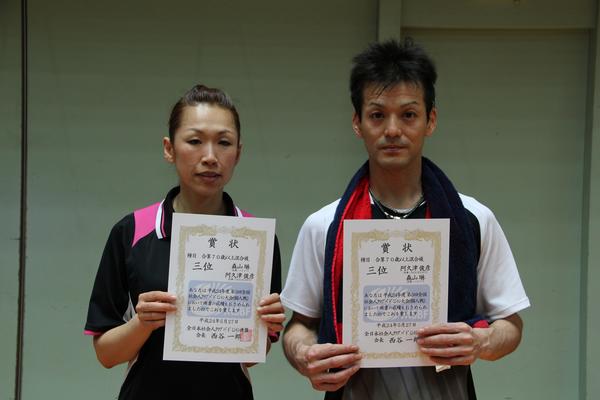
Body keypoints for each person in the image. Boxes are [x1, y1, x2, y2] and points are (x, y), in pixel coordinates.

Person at [280, 38, 530, 399]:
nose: (393, 130)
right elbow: (299, 325)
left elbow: (512, 324)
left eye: (408, 115)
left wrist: (481, 341)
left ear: (431, 120)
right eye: (377, 115)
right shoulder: (325, 225)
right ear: (357, 123)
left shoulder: (473, 219)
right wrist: (305, 354)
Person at [84, 84, 285, 400]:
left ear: (238, 153)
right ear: (169, 149)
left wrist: (263, 328)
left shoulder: (257, 240)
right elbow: (106, 354)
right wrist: (142, 323)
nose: (210, 157)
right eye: (194, 141)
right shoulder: (131, 231)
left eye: (224, 143)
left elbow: (249, 358)